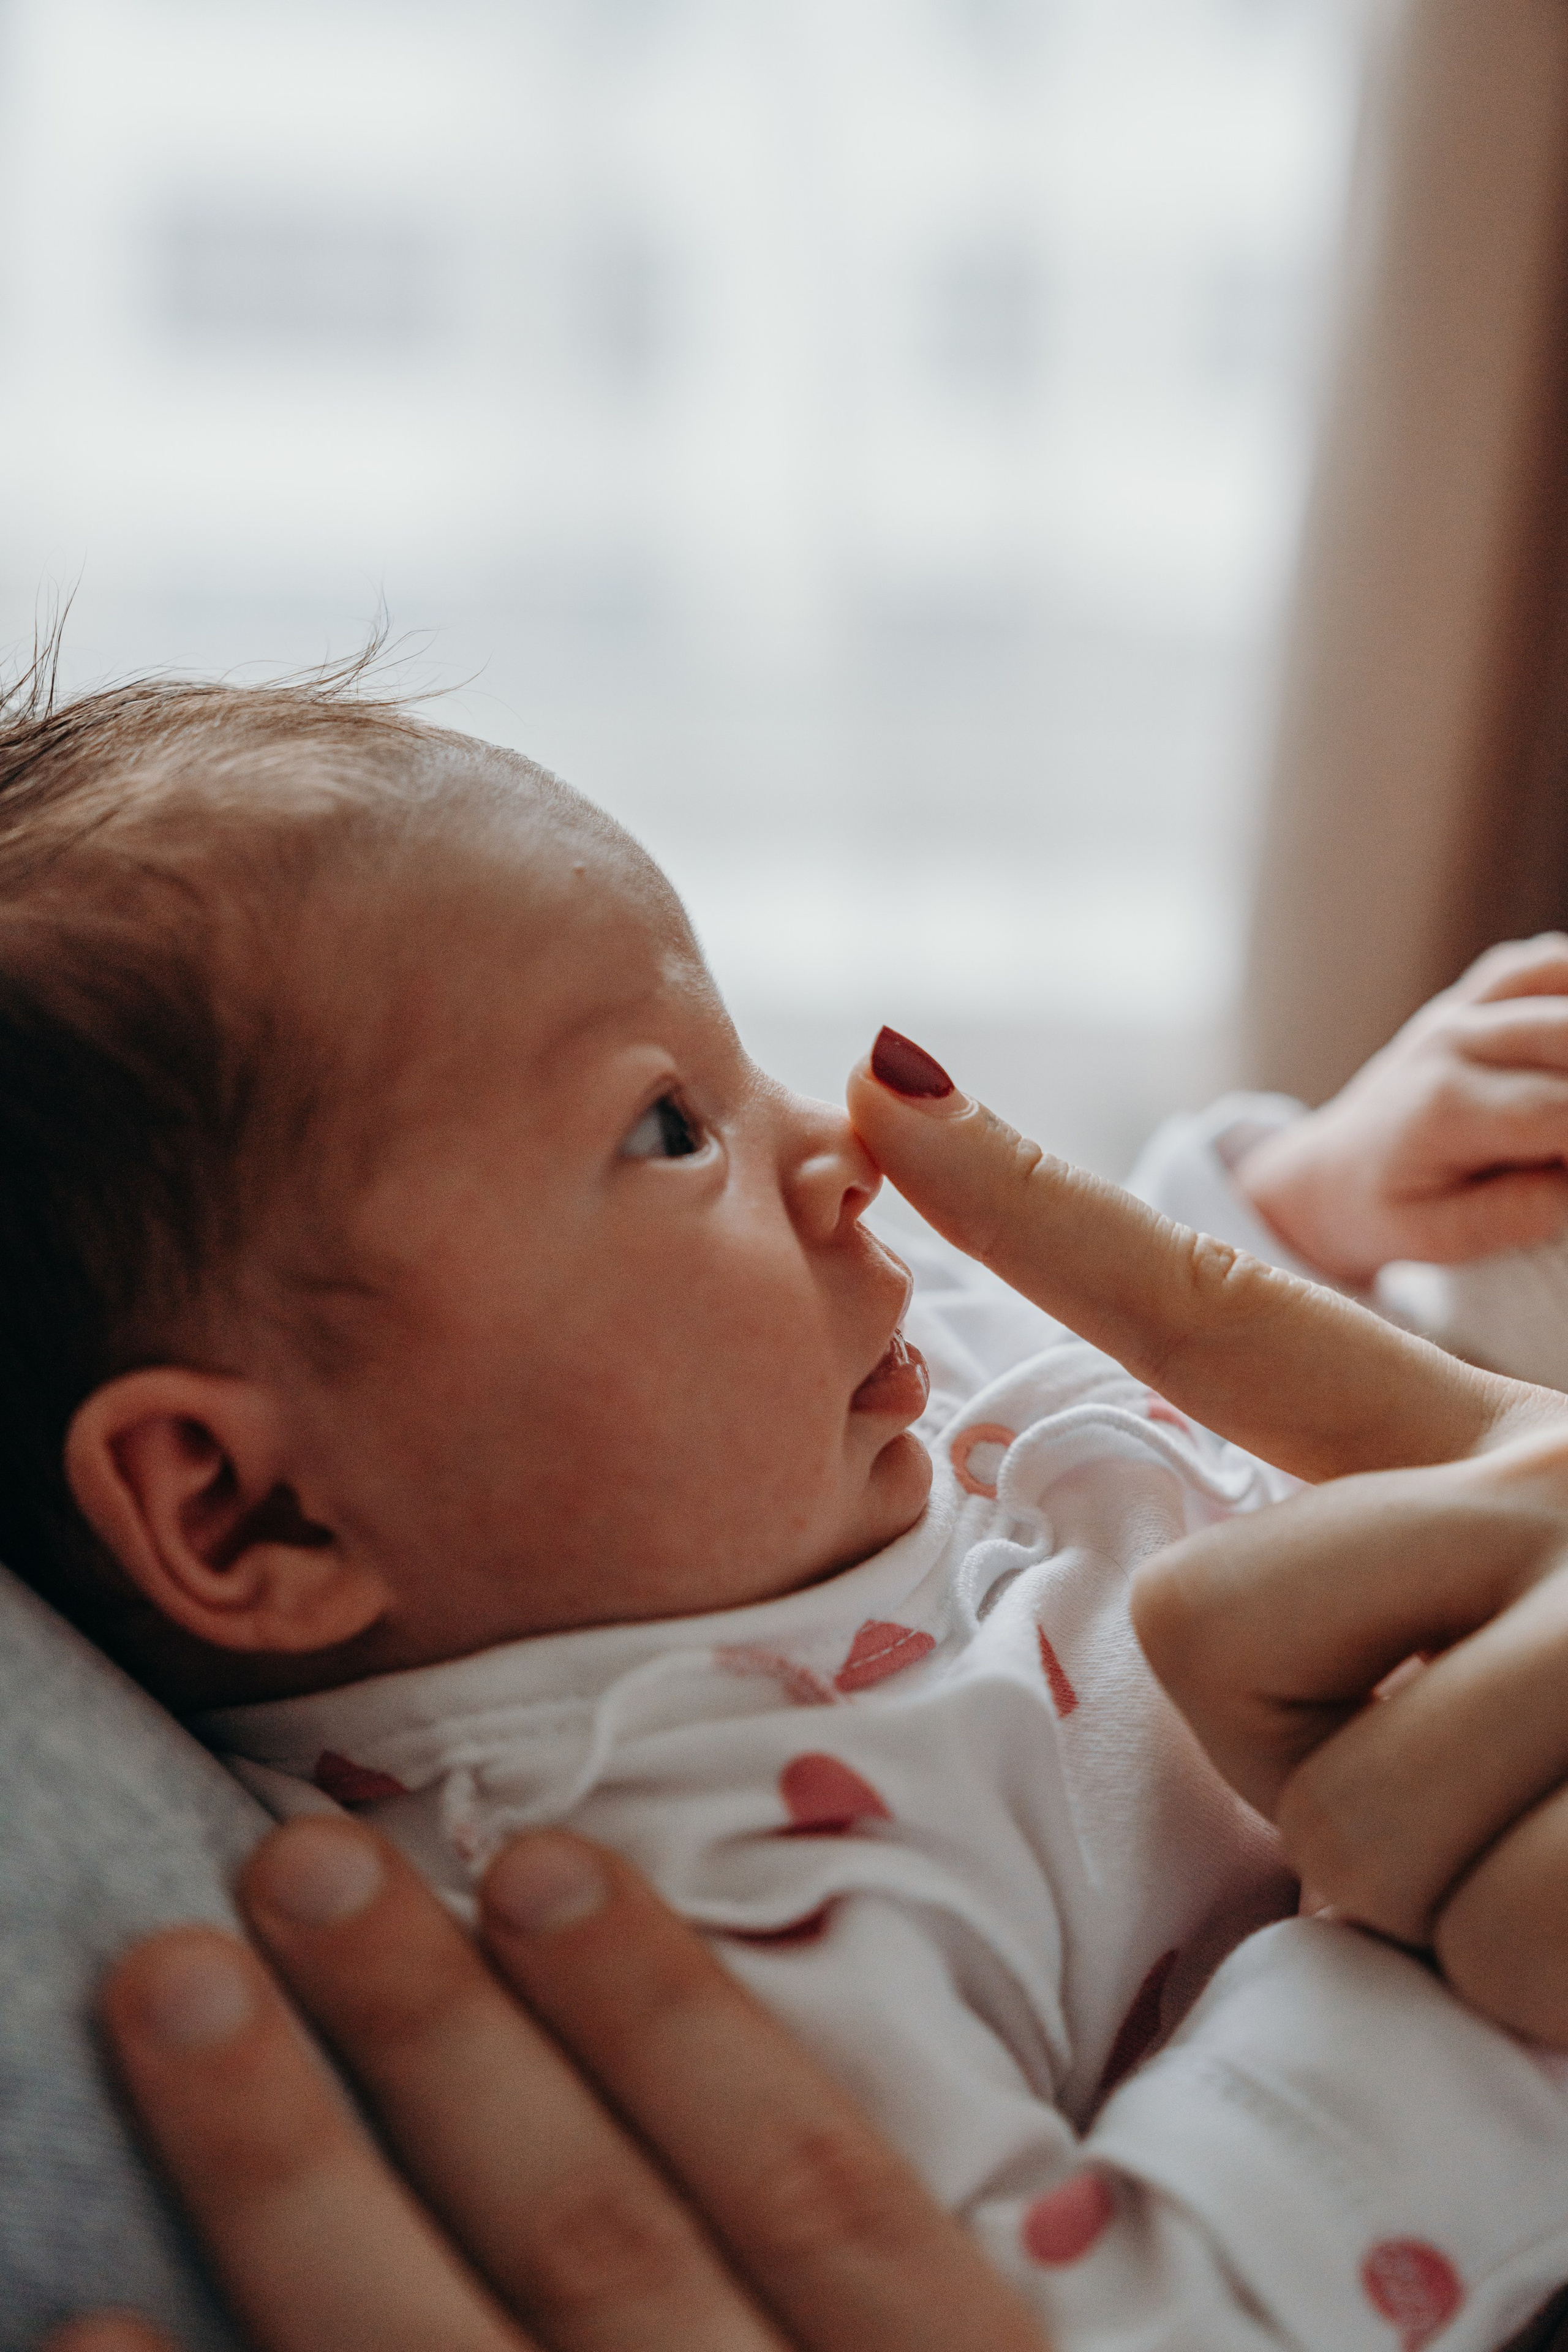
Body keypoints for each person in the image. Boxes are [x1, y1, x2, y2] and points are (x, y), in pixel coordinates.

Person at [9, 660, 1568, 2350]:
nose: (838, 1146)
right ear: (254, 1518)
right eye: (671, 1126)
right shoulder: (692, 1912)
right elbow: (1131, 2312)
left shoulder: (754, 1466)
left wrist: (1298, 1211)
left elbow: (1052, 1351)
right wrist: (1451, 1979)